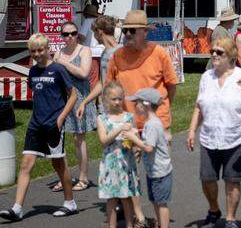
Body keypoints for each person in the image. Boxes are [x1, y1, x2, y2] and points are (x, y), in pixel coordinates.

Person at [106, 10, 178, 227]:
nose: (127, 34)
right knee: (129, 171)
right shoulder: (117, 56)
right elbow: (111, 87)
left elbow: (171, 85)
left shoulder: (159, 53)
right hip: (128, 124)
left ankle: (159, 217)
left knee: (157, 172)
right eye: (125, 30)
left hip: (156, 123)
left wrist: (162, 113)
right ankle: (138, 216)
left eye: (131, 30)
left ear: (144, 32)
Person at [0, 33, 78, 222]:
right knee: (26, 163)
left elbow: (73, 95)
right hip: (36, 124)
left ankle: (70, 202)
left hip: (54, 125)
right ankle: (17, 208)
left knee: (58, 164)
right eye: (33, 51)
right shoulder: (33, 72)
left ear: (48, 49)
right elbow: (38, 95)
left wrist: (60, 119)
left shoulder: (58, 70)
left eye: (40, 50)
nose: (37, 54)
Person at [186, 37, 241, 228]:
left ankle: (231, 218)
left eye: (219, 52)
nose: (214, 55)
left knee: (232, 180)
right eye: (212, 52)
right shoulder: (206, 77)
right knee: (207, 178)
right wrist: (192, 130)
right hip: (209, 137)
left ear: (231, 55)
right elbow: (198, 106)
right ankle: (214, 208)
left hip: (236, 138)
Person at [53, 21, 96, 192]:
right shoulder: (58, 52)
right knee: (60, 140)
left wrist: (62, 63)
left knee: (79, 139)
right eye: (65, 34)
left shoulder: (84, 50)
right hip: (61, 99)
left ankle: (83, 178)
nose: (69, 37)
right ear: (61, 36)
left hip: (80, 99)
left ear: (78, 34)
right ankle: (64, 178)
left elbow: (84, 73)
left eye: (73, 33)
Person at [124, 89, 173, 228]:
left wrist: (134, 139)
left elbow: (149, 148)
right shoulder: (150, 123)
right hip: (154, 171)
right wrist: (140, 148)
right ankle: (159, 224)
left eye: (136, 103)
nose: (134, 106)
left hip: (160, 172)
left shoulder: (152, 124)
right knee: (155, 200)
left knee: (161, 203)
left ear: (146, 105)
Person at [96, 81, 141, 228]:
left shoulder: (129, 117)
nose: (117, 102)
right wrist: (119, 129)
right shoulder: (102, 118)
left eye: (120, 99)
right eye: (113, 99)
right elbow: (104, 141)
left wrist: (135, 142)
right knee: (112, 199)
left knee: (127, 197)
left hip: (126, 162)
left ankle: (130, 224)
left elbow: (135, 139)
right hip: (110, 164)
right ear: (106, 99)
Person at [77, 15, 123, 119]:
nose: (94, 35)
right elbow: (103, 83)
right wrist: (85, 102)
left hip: (118, 110)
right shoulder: (104, 53)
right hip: (107, 109)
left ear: (100, 31)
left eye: (94, 32)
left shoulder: (121, 52)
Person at [78, 3, 104, 91]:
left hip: (91, 53)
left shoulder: (88, 21)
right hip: (101, 52)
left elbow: (82, 37)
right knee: (100, 79)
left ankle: (91, 102)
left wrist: (75, 37)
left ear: (86, 14)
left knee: (92, 80)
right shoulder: (100, 22)